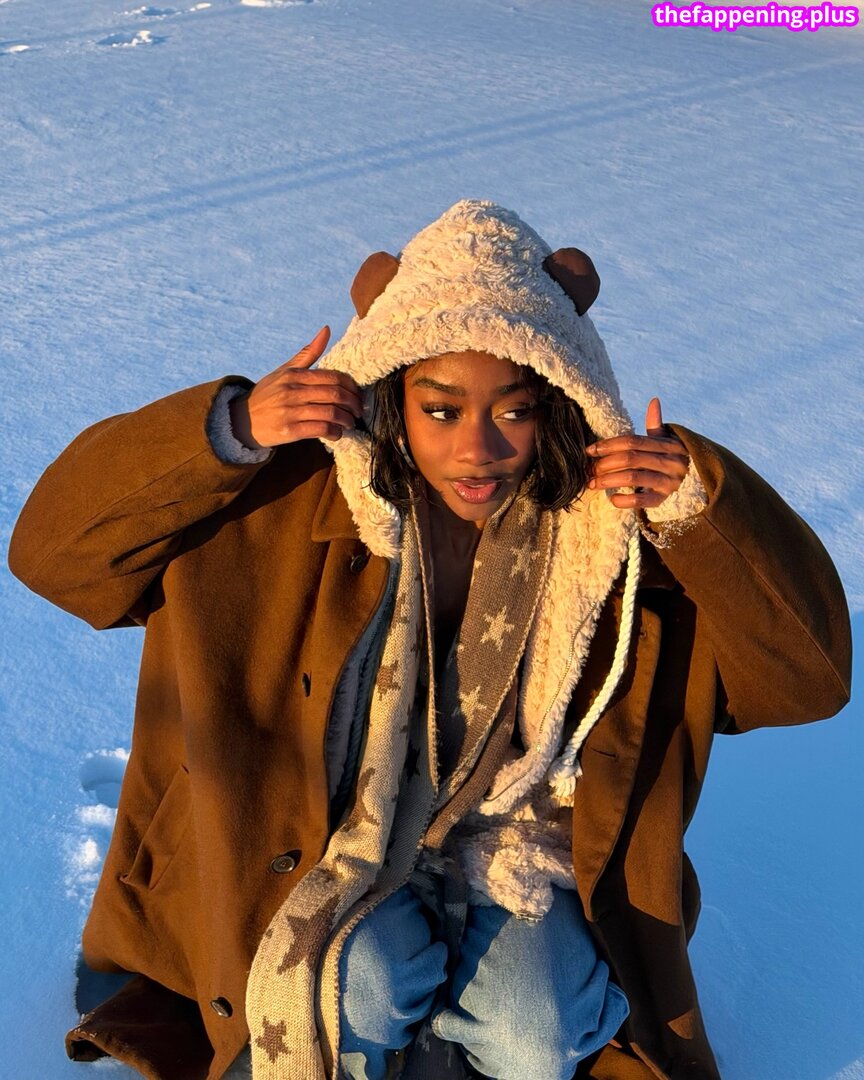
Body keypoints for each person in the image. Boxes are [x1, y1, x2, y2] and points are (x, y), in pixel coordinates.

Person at [8, 200, 851, 1080]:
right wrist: (232, 432)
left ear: (562, 399)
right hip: (336, 833)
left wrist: (703, 510)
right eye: (441, 410)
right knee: (356, 990)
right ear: (390, 388)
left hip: (521, 845)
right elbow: (55, 557)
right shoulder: (286, 502)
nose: (476, 449)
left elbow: (809, 680)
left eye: (514, 411)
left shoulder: (615, 542)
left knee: (534, 1034)